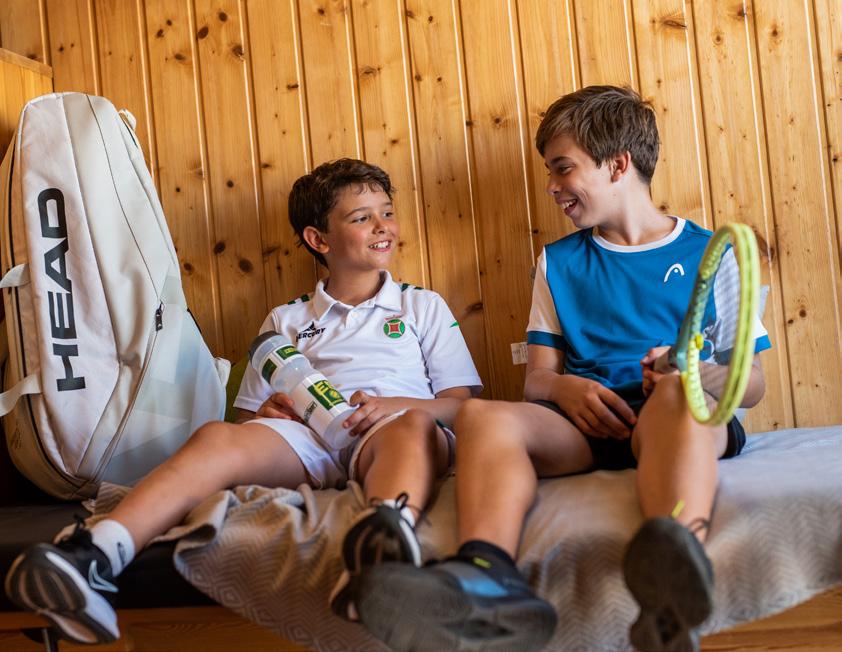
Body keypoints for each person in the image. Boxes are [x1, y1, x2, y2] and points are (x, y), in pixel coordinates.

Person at [353, 86, 770, 652]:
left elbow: (751, 383)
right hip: (586, 425)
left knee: (674, 399)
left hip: (679, 416)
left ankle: (674, 571)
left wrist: (688, 374)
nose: (551, 186)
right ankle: (487, 576)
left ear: (617, 165)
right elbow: (538, 380)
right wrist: (567, 388)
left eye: (562, 168)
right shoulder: (559, 262)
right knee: (481, 416)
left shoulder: (711, 254)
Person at [4, 158, 481, 645]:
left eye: (387, 212)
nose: (382, 226)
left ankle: (380, 561)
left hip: (394, 429)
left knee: (413, 428)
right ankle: (93, 554)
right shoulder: (286, 319)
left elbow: (459, 405)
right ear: (319, 239)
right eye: (362, 217)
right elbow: (249, 417)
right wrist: (269, 412)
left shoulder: (421, 305)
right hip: (311, 435)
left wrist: (397, 407)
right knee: (216, 436)